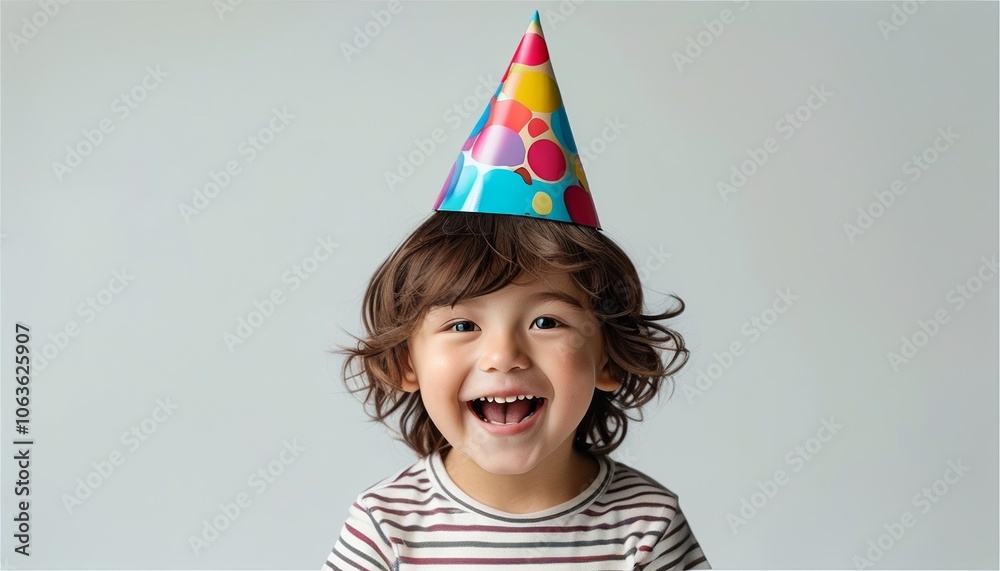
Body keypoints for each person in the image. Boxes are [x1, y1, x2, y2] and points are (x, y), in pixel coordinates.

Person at [323, 10, 710, 570]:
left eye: (546, 322)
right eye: (462, 325)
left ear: (609, 356)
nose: (503, 356)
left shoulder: (645, 525)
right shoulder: (385, 524)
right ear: (407, 360)